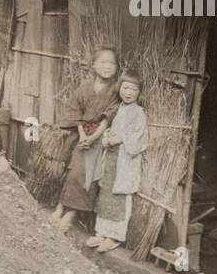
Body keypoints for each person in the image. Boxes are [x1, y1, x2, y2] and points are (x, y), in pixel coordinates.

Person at [51, 46, 122, 231]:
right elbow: (76, 112)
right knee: (71, 170)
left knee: (87, 175)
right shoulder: (84, 87)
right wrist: (82, 134)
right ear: (93, 65)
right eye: (103, 62)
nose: (107, 66)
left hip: (99, 137)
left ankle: (72, 214)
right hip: (81, 134)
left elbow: (109, 117)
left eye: (111, 63)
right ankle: (61, 206)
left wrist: (92, 138)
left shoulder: (115, 90)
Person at [84, 70, 148, 253]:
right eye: (125, 87)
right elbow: (109, 128)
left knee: (119, 198)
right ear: (119, 88)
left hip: (125, 160)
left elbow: (140, 138)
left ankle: (115, 236)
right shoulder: (118, 108)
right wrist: (105, 138)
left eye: (133, 89)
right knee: (106, 195)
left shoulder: (139, 112)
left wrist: (119, 139)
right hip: (111, 158)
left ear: (139, 92)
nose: (128, 92)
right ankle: (101, 232)